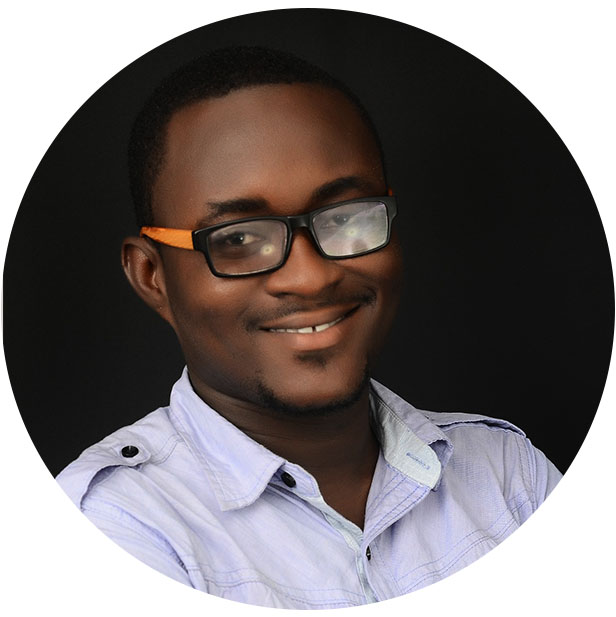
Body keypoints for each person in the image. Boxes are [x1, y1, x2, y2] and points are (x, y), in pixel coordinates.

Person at [57, 46, 561, 609]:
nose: (311, 276)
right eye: (238, 238)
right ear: (153, 276)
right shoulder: (111, 527)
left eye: (346, 217)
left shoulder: (507, 473)